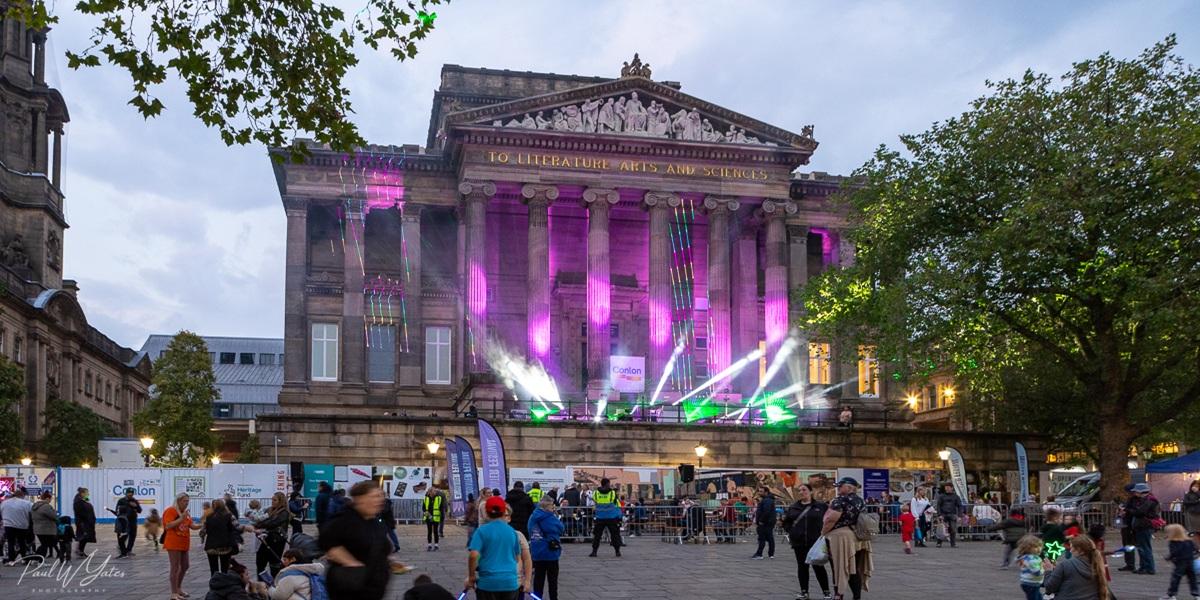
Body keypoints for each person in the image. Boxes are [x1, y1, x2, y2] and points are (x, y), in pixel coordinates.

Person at [320, 481, 394, 600]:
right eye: (375, 496)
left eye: (381, 496)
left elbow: (380, 546)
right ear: (360, 499)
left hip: (373, 590)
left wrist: (388, 560)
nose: (380, 500)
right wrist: (350, 563)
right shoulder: (344, 519)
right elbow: (326, 541)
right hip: (350, 590)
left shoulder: (375, 522)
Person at [466, 496, 533, 600]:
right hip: (510, 583)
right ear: (502, 512)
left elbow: (474, 555)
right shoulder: (512, 532)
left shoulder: (481, 531)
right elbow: (517, 558)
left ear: (486, 513)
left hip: (488, 583)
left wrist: (471, 576)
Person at [821, 477, 872, 600]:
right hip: (858, 536)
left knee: (839, 567)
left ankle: (839, 595)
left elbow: (831, 519)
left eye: (840, 486)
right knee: (854, 568)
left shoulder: (839, 500)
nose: (838, 488)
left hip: (841, 537)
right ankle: (856, 596)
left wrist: (822, 533)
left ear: (849, 487)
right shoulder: (860, 500)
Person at [782, 483, 831, 600]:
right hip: (799, 542)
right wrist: (792, 532)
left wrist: (824, 533)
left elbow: (829, 520)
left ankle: (826, 592)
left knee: (818, 566)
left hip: (815, 542)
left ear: (810, 491)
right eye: (799, 490)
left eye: (804, 490)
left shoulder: (821, 506)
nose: (801, 492)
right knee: (802, 567)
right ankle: (804, 592)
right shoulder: (794, 507)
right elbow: (786, 522)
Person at [163, 492, 203, 600]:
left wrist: (202, 525)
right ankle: (174, 592)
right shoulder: (171, 511)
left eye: (187, 501)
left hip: (184, 543)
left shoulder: (185, 513)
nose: (186, 503)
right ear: (178, 501)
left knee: (185, 565)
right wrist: (181, 518)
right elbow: (168, 526)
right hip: (173, 543)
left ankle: (179, 588)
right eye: (184, 501)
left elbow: (191, 525)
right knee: (175, 567)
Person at [1043, 535, 1109, 600]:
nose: (1070, 551)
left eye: (1072, 548)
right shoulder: (1096, 565)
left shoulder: (1065, 564)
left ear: (1080, 550)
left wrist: (1048, 570)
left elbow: (1049, 588)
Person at [529, 495, 564, 600]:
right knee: (552, 580)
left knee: (538, 579)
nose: (553, 507)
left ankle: (537, 598)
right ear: (547, 506)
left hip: (537, 550)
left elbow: (529, 529)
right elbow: (560, 528)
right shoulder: (549, 516)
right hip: (550, 551)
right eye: (552, 505)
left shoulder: (533, 516)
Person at [258, 548, 326, 600]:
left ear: (293, 559)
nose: (283, 562)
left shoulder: (290, 576)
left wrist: (269, 587)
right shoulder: (308, 570)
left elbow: (279, 596)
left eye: (285, 560)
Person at [253, 492, 292, 578]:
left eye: (275, 500)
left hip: (277, 541)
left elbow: (273, 523)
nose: (272, 502)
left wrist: (259, 525)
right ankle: (262, 584)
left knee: (274, 565)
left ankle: (275, 585)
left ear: (280, 501)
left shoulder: (284, 512)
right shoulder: (269, 510)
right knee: (260, 562)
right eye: (272, 499)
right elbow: (262, 519)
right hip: (266, 539)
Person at [1127, 482, 1160, 575]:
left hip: (1144, 526)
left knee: (1145, 547)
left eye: (1136, 492)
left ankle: (1149, 567)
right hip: (1141, 526)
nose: (1135, 494)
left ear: (1141, 492)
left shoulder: (1149, 501)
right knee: (1142, 547)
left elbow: (1139, 512)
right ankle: (1144, 567)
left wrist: (1129, 510)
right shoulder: (1145, 500)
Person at [1163, 523, 1199, 600]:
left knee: (1176, 578)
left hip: (1180, 562)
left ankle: (1171, 594)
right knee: (1192, 578)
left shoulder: (1173, 542)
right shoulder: (1189, 541)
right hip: (1190, 561)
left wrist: (1168, 557)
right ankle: (1196, 594)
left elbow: (1175, 552)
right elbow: (1195, 549)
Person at [588, 477, 622, 558]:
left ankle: (594, 552)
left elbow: (595, 502)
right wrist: (619, 516)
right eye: (609, 483)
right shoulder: (612, 493)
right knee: (614, 535)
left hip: (600, 517)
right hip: (611, 517)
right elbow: (616, 504)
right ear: (607, 484)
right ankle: (617, 551)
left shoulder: (596, 493)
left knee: (597, 535)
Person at [205, 499, 240, 575]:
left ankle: (214, 584)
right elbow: (236, 526)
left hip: (211, 545)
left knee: (213, 569)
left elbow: (203, 531)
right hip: (225, 545)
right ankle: (224, 584)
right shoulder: (229, 515)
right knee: (225, 568)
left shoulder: (209, 516)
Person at [2, 486, 33, 565]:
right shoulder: (27, 503)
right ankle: (24, 559)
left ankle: (11, 560)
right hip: (22, 526)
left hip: (8, 526)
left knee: (10, 543)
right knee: (22, 542)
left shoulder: (4, 503)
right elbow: (31, 513)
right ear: (22, 495)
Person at [114, 487, 142, 557]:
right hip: (124, 521)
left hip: (133, 521)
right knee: (122, 536)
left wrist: (135, 506)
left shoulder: (134, 501)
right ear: (126, 493)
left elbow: (140, 510)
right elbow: (117, 510)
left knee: (132, 536)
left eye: (132, 493)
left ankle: (129, 550)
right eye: (129, 492)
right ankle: (123, 552)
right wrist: (127, 506)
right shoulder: (121, 500)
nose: (130, 494)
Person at [934, 482, 963, 548]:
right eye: (946, 487)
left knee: (953, 529)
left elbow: (960, 506)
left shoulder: (956, 496)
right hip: (943, 514)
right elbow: (938, 505)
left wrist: (960, 516)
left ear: (952, 488)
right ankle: (939, 543)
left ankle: (953, 544)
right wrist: (939, 514)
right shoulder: (941, 496)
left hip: (952, 514)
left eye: (948, 487)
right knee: (941, 529)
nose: (947, 488)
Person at [1015, 535, 1045, 600]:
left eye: (1040, 546)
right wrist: (1044, 568)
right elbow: (1036, 572)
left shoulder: (1030, 557)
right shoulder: (1031, 560)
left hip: (1031, 582)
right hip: (1031, 583)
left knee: (1039, 597)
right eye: (1035, 547)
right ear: (1027, 548)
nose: (1039, 549)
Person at [31, 491, 59, 559]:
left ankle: (37, 558)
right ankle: (38, 559)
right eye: (50, 499)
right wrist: (55, 513)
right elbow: (54, 516)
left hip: (37, 529)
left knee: (44, 544)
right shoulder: (46, 506)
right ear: (47, 498)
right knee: (45, 545)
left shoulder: (35, 506)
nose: (50, 501)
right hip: (46, 529)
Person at [1118, 483, 1139, 572]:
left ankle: (1131, 564)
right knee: (1126, 543)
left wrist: (1125, 511)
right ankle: (1129, 563)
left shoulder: (1135, 500)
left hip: (1130, 524)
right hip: (1126, 523)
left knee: (1129, 544)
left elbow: (1135, 511)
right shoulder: (1130, 499)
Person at [751, 488, 777, 559]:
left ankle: (759, 554)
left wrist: (761, 520)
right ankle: (771, 554)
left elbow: (766, 511)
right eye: (759, 491)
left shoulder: (767, 500)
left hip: (765, 522)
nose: (759, 493)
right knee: (769, 537)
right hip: (768, 521)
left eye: (761, 491)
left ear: (766, 492)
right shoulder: (767, 500)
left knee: (762, 538)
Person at [72, 487, 96, 558]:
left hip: (87, 522)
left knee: (85, 537)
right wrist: (88, 519)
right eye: (86, 493)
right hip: (83, 522)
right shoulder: (78, 502)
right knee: (84, 536)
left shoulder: (83, 500)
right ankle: (80, 550)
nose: (88, 494)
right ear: (82, 493)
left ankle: (80, 550)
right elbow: (81, 512)